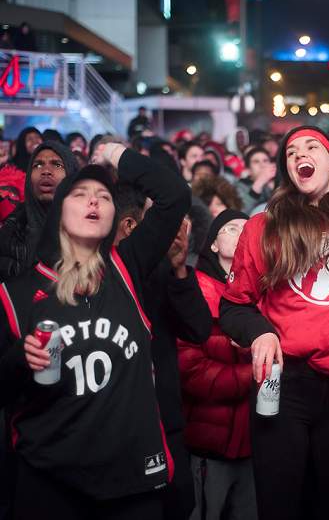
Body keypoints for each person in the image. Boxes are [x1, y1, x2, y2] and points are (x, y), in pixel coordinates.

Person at [219, 0, 329, 519]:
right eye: (291, 153)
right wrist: (259, 332)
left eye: (311, 147)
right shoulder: (264, 227)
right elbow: (233, 306)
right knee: (282, 504)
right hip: (285, 383)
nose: (300, 155)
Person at [0, 142, 190, 519]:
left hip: (130, 481)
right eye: (81, 194)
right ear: (59, 210)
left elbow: (174, 195)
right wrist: (19, 358)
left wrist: (114, 153)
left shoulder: (127, 267)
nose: (94, 201)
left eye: (104, 197)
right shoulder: (16, 293)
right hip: (51, 482)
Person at [113, 183, 212, 520]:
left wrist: (179, 269)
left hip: (164, 422)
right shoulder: (96, 276)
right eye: (154, 220)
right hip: (116, 425)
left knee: (178, 505)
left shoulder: (163, 269)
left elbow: (198, 329)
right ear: (130, 226)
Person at [178, 209, 257, 520]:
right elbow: (191, 370)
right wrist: (255, 374)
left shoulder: (262, 292)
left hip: (253, 445)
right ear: (212, 243)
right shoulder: (194, 290)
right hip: (208, 445)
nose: (242, 233)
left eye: (248, 229)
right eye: (232, 228)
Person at [0, 141, 79, 282]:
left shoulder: (87, 231)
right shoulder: (11, 231)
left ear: (72, 173)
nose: (46, 171)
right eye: (38, 165)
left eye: (57, 165)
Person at [233, 147, 276, 216]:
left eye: (265, 161)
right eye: (256, 162)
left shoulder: (277, 182)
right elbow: (241, 213)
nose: (262, 165)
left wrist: (274, 187)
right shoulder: (240, 186)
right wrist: (259, 182)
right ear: (248, 170)